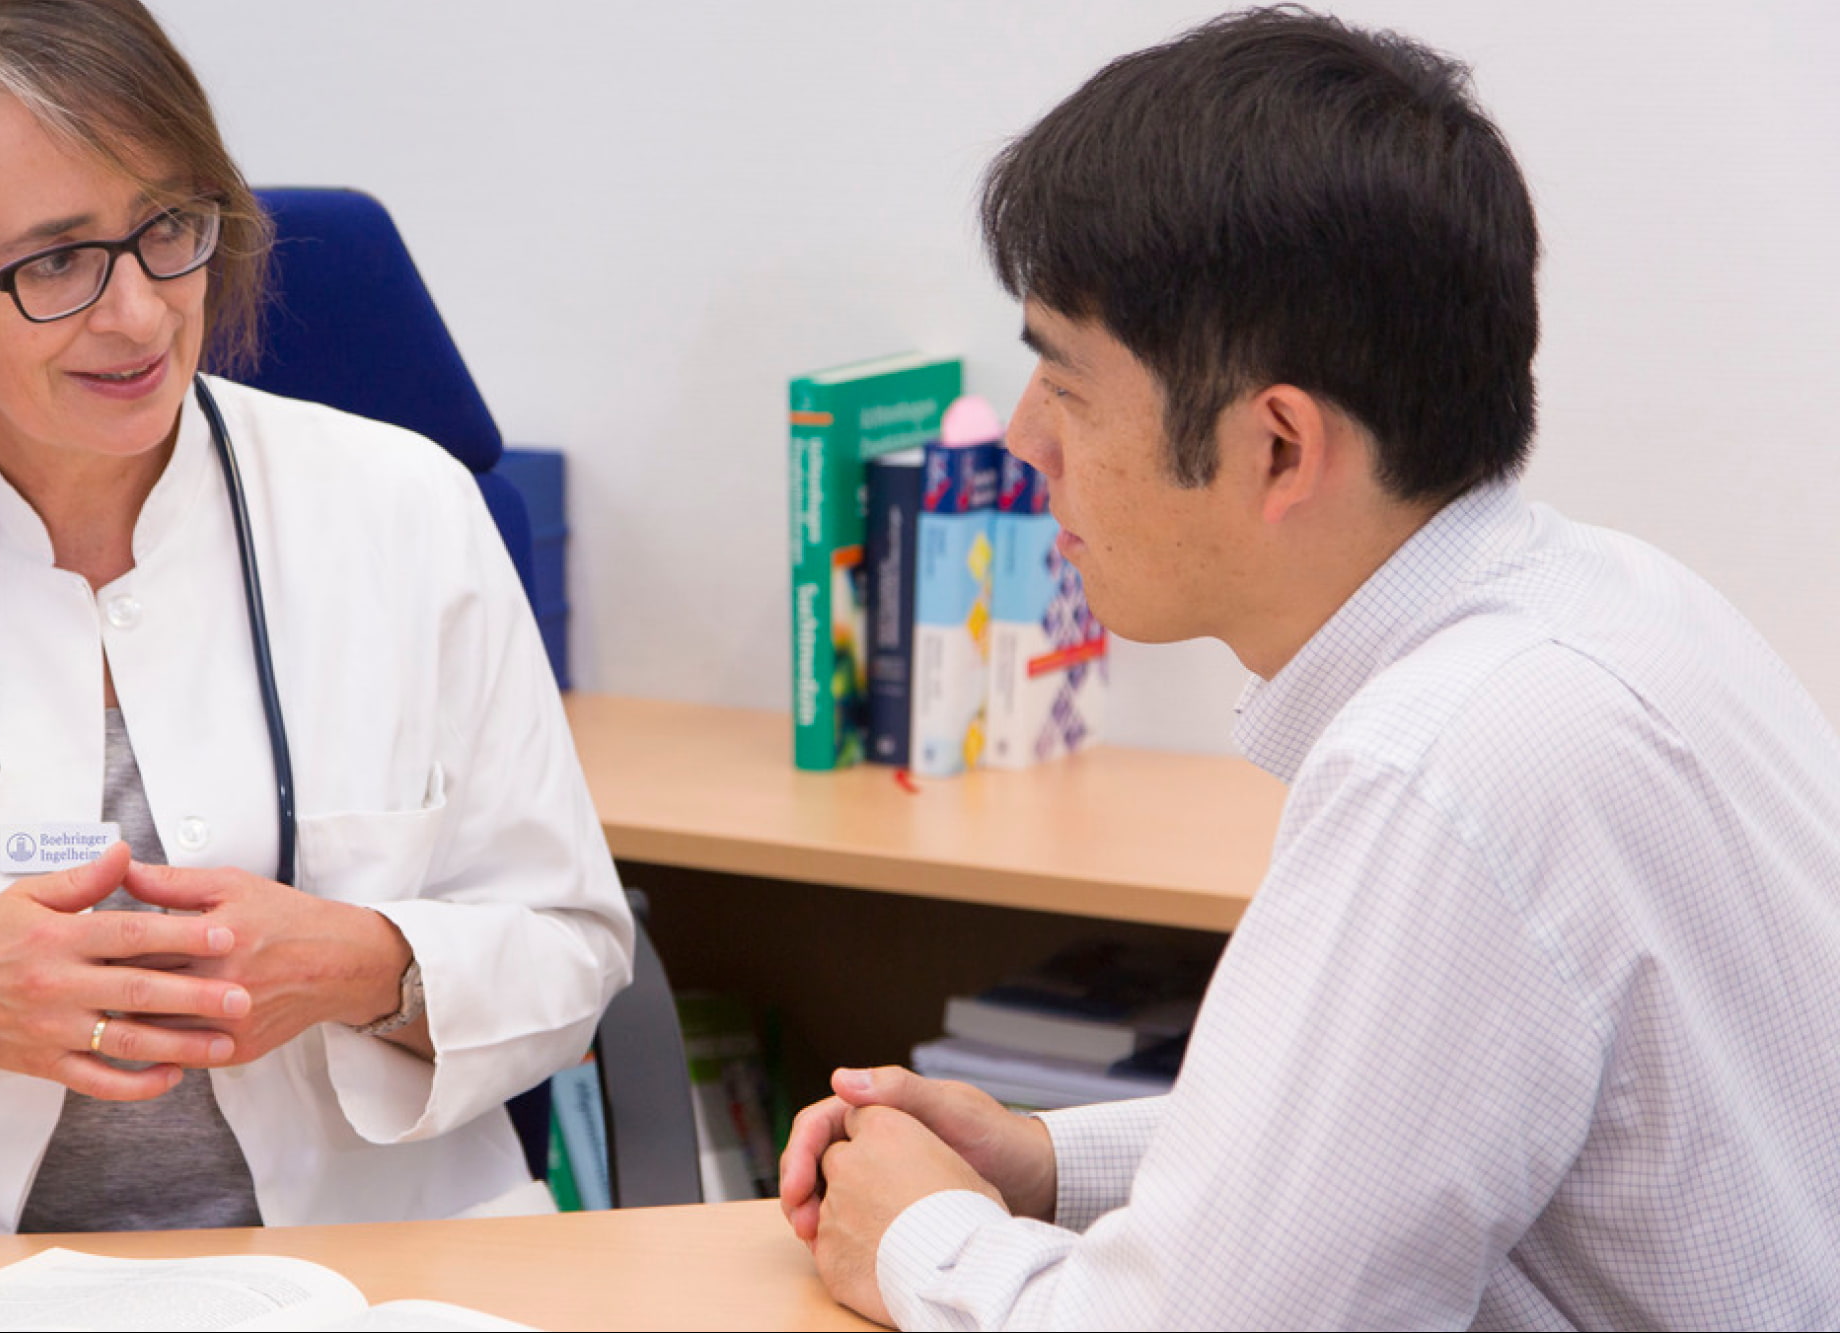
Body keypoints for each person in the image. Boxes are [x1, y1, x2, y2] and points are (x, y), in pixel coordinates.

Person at [778, 9, 1840, 1329]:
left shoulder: (1450, 764)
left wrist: (921, 1238)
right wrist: (1051, 1164)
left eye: (1070, 384)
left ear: (1278, 447)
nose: (1031, 444)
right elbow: (1396, 1135)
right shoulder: (1621, 601)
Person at [0, 0, 631, 1236]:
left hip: (360, 1277)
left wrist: (364, 963)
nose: (142, 313)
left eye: (169, 228)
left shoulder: (406, 514)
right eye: (54, 262)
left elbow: (574, 950)